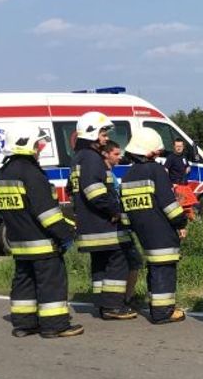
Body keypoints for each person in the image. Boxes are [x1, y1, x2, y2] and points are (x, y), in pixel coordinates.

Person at [0, 124, 83, 338]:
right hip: (41, 242)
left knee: (24, 282)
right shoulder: (31, 173)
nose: (40, 148)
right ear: (27, 144)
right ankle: (55, 325)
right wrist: (66, 233)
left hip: (18, 242)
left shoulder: (3, 173)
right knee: (51, 283)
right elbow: (47, 213)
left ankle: (24, 324)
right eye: (37, 144)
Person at [68, 111, 137, 320]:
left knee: (100, 263)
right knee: (119, 259)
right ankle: (114, 306)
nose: (106, 138)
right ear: (92, 133)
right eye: (103, 133)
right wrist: (115, 211)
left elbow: (71, 189)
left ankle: (102, 303)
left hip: (89, 225)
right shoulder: (91, 158)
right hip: (103, 224)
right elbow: (95, 191)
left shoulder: (78, 159)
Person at [121, 128, 188, 324]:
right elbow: (170, 205)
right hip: (161, 229)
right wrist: (181, 221)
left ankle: (157, 306)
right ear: (150, 152)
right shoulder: (155, 170)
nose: (159, 155)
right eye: (158, 152)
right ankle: (163, 312)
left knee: (154, 268)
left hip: (142, 232)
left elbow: (125, 214)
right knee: (164, 268)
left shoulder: (127, 175)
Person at [99, 140, 141, 307]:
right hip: (115, 226)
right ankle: (124, 299)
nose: (119, 157)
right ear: (106, 154)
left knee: (130, 262)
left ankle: (120, 298)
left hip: (120, 223)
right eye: (116, 154)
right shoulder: (105, 174)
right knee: (133, 261)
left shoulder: (110, 173)